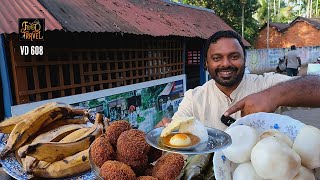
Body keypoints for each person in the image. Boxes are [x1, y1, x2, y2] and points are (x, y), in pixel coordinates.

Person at [156, 30, 320, 131]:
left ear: (245, 59)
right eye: (217, 58)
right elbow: (176, 128)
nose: (226, 64)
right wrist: (167, 129)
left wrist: (272, 96)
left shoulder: (266, 85)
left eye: (234, 56)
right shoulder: (194, 99)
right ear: (206, 63)